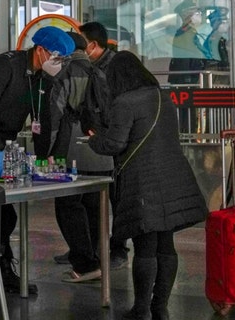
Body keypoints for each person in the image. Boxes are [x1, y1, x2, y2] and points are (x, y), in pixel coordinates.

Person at [0, 26, 75, 294]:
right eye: (56, 56)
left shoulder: (43, 79)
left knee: (5, 212)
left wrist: (45, 159)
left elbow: (40, 120)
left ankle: (3, 270)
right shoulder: (5, 65)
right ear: (40, 50)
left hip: (4, 142)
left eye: (63, 59)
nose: (59, 63)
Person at [87, 51, 208, 320]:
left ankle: (140, 308)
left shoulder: (125, 102)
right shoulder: (164, 97)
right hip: (174, 177)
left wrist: (94, 140)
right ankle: (160, 307)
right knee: (166, 244)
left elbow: (115, 144)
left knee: (145, 246)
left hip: (143, 181)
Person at [45, 31, 101, 282]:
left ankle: (85, 263)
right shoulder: (99, 71)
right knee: (93, 204)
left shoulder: (65, 73)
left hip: (69, 147)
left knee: (67, 204)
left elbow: (55, 116)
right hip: (98, 149)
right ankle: (96, 258)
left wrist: (48, 152)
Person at [76, 21, 131, 270]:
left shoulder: (116, 67)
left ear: (94, 45)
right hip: (97, 140)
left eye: (81, 42)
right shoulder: (88, 66)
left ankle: (118, 248)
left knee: (118, 199)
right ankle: (90, 248)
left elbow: (118, 108)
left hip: (117, 143)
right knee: (90, 199)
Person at [168, 0, 208, 134]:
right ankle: (187, 138)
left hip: (188, 80)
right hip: (185, 81)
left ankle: (188, 135)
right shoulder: (185, 34)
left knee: (189, 116)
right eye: (196, 13)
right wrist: (188, 81)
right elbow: (184, 59)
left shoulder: (191, 33)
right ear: (187, 16)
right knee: (186, 116)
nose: (199, 16)